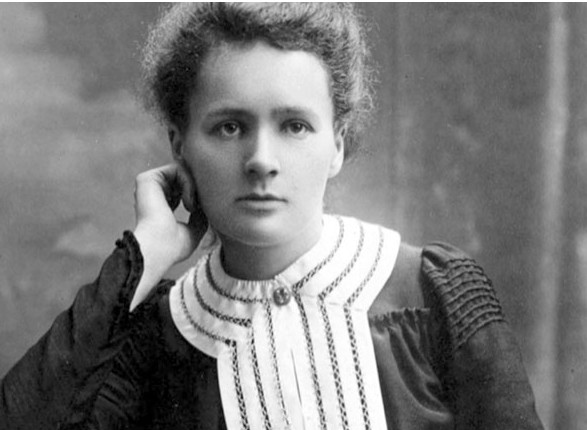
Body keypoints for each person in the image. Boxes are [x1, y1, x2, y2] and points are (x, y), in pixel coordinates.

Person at [0, 3, 544, 430]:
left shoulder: (434, 296)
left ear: (337, 144)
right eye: (229, 127)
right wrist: (144, 256)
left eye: (294, 126)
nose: (261, 160)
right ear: (180, 146)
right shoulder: (158, 341)